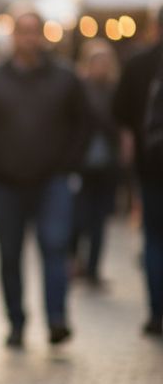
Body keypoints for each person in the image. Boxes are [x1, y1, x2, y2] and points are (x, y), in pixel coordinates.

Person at [0, 9, 89, 348]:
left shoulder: (65, 78)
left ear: (42, 36)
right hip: (5, 182)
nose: (28, 39)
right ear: (13, 36)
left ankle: (56, 319)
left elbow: (83, 123)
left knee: (55, 247)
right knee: (10, 256)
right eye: (22, 32)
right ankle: (17, 323)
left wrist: (68, 163)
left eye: (33, 32)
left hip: (52, 180)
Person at [113, 9, 163, 337]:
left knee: (155, 238)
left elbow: (122, 116)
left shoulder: (137, 63)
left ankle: (157, 312)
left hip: (152, 165)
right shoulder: (138, 63)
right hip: (151, 167)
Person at [71, 40, 121, 287]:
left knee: (99, 219)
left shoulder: (114, 89)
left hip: (107, 163)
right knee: (79, 217)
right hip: (83, 163)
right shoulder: (79, 88)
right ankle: (75, 262)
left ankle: (93, 267)